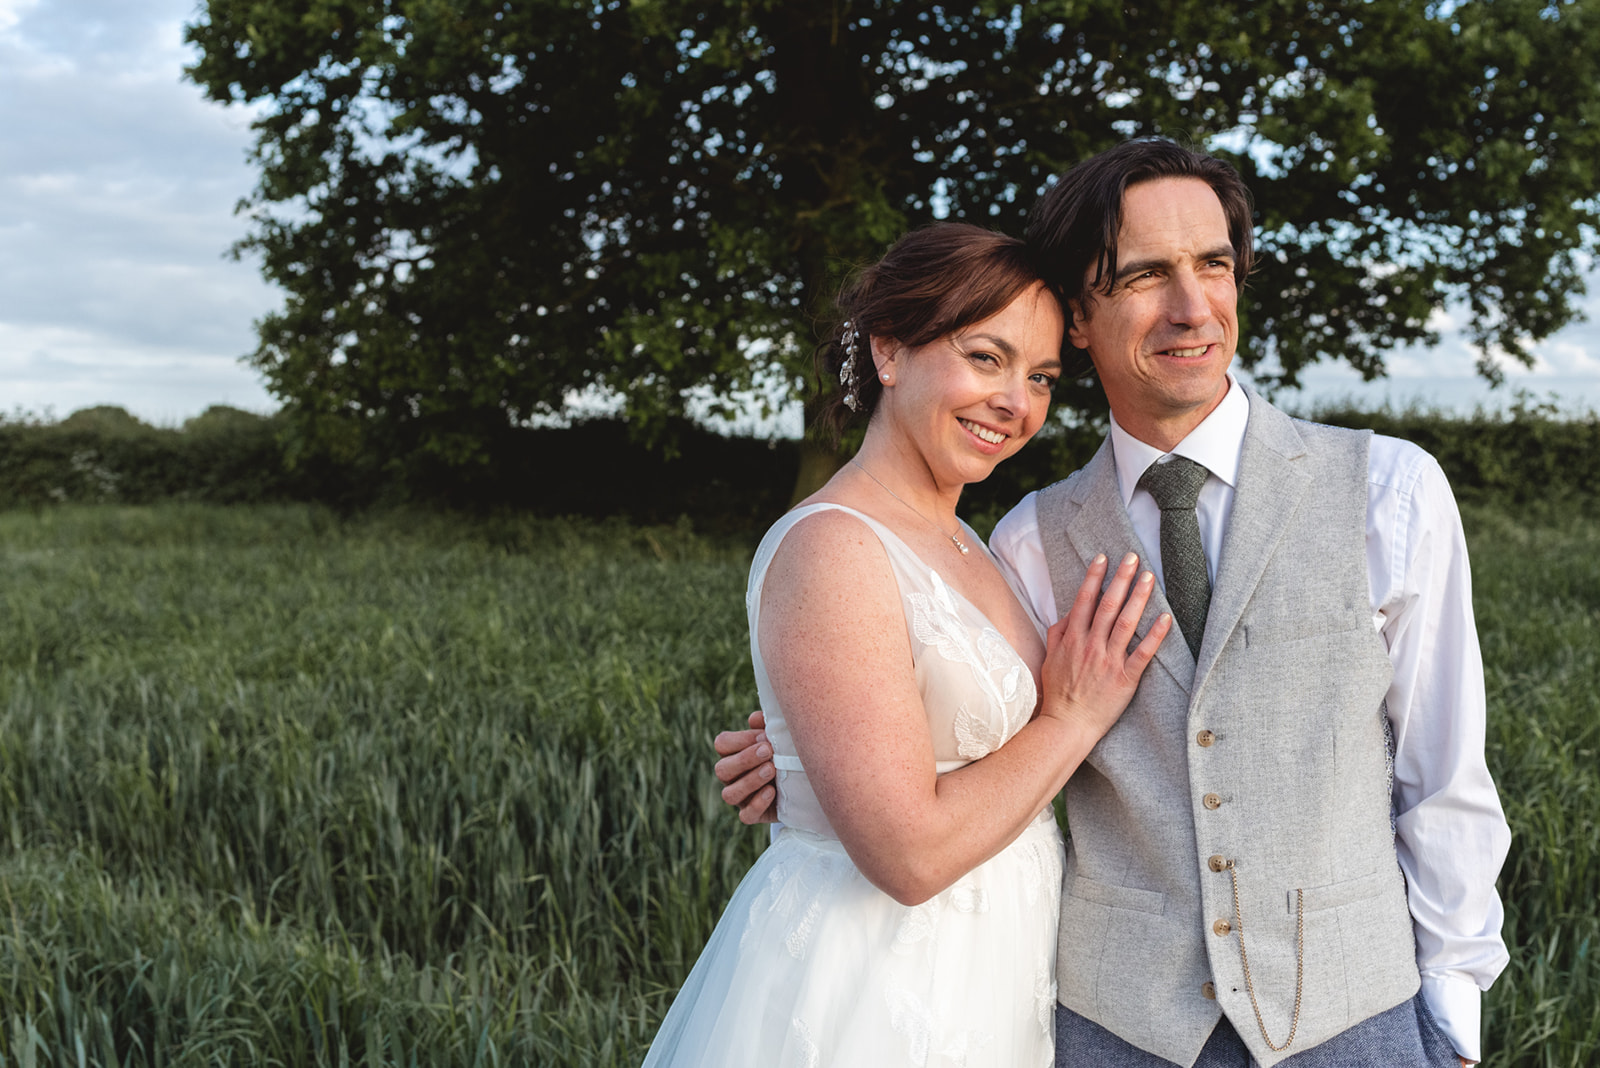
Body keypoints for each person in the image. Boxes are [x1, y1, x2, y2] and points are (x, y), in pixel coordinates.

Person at [716, 139, 1511, 1068]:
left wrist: (1451, 1011)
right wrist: (802, 761)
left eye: (1214, 264)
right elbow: (948, 727)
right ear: (1082, 316)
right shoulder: (1024, 541)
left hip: (1358, 1019)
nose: (1192, 307)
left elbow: (1445, 772)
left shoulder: (1391, 493)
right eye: (1143, 275)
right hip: (1107, 1030)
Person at [641, 222, 1171, 1067]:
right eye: (986, 358)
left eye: (1040, 377)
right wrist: (1072, 719)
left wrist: (802, 759)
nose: (1017, 403)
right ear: (889, 353)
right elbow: (908, 854)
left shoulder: (974, 543)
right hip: (883, 976)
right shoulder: (834, 546)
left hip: (1003, 964)